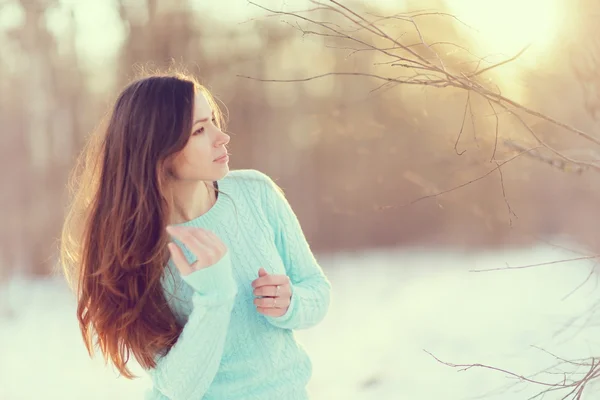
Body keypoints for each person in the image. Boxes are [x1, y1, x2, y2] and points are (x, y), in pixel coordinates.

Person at [60, 71, 331, 400]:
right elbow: (177, 387)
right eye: (200, 130)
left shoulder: (256, 194)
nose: (222, 137)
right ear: (158, 150)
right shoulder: (133, 249)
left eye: (213, 120)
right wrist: (214, 297)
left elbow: (316, 290)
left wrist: (291, 302)